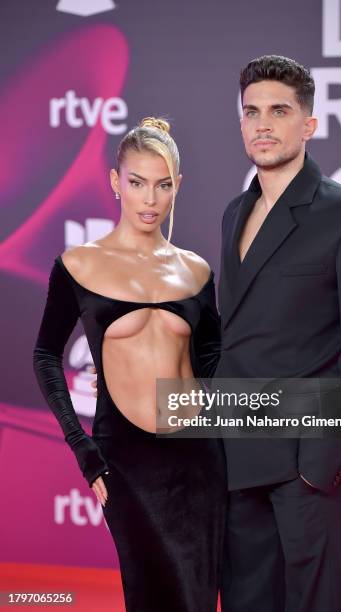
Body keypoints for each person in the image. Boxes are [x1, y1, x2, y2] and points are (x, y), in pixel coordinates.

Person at [215, 56, 341, 612]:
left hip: (305, 467)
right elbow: (234, 336)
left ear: (308, 125)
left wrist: (317, 464)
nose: (263, 124)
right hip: (235, 459)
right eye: (251, 112)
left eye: (279, 111)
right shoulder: (233, 213)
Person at [32, 117, 227, 612]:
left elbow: (211, 358)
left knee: (198, 599)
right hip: (126, 460)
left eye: (163, 186)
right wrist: (83, 448)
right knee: (147, 597)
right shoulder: (79, 264)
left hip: (197, 457)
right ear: (116, 182)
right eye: (137, 183)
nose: (150, 199)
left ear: (177, 187)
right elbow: (45, 356)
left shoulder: (195, 269)